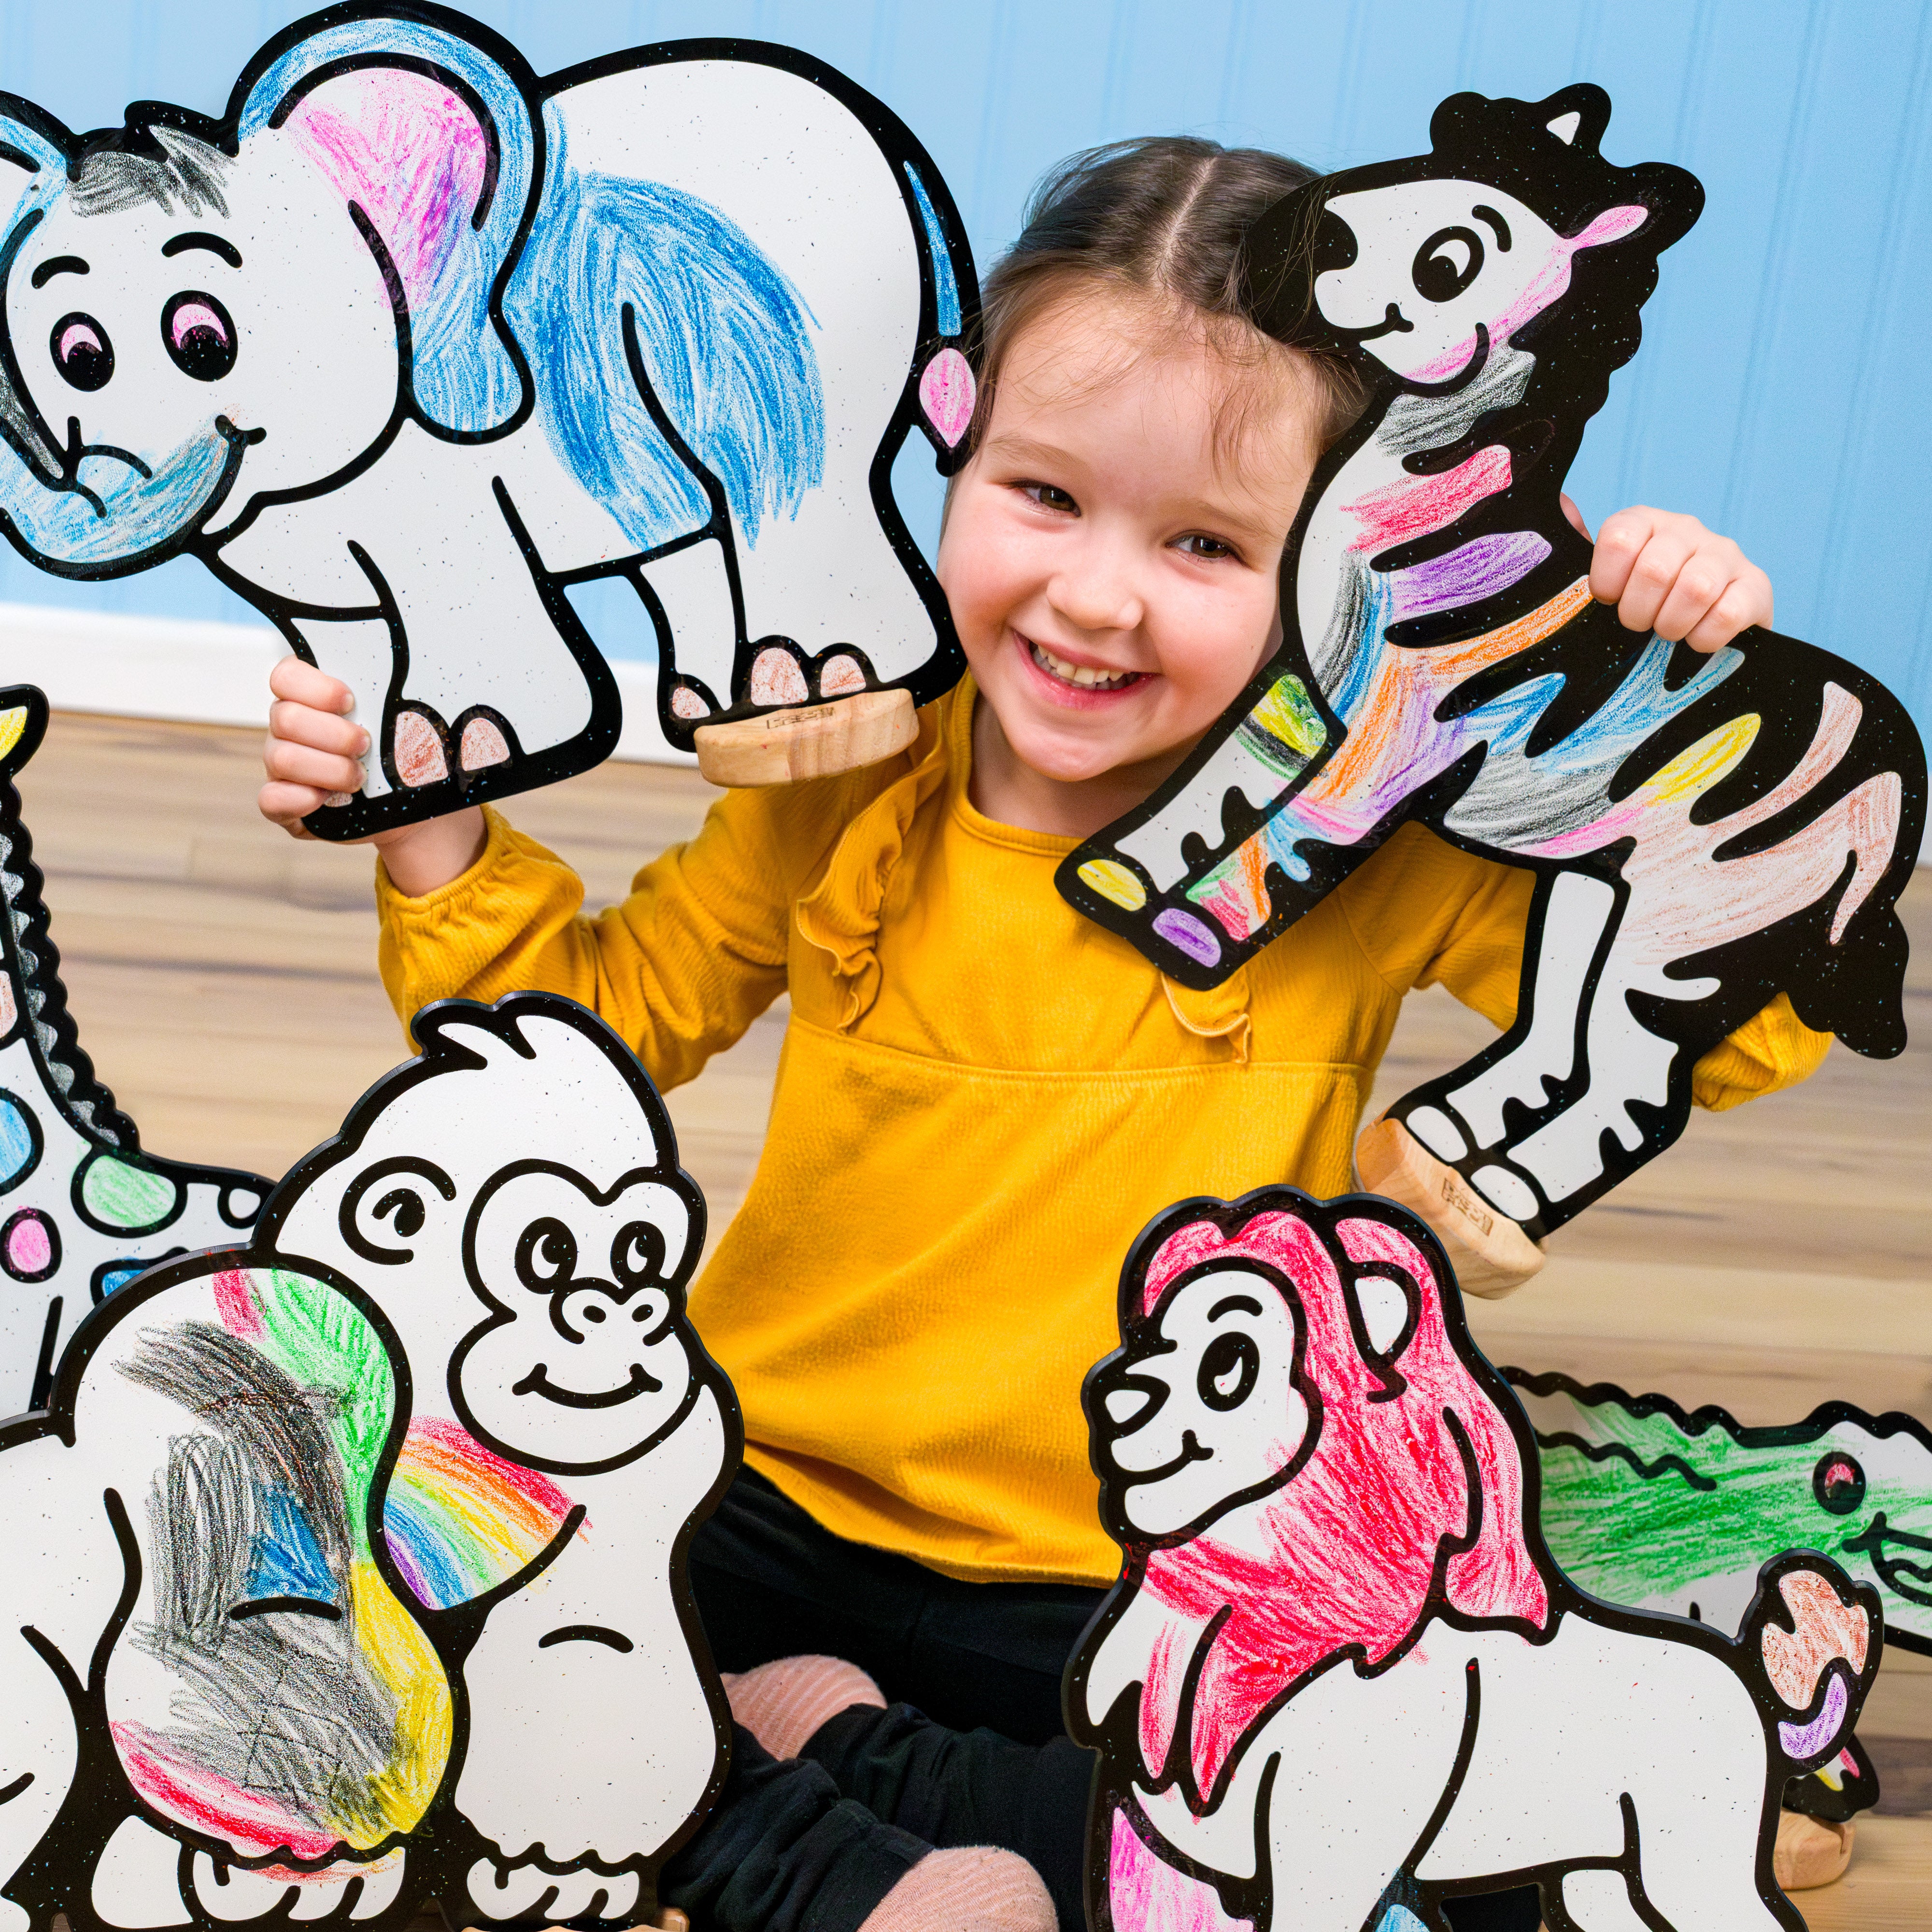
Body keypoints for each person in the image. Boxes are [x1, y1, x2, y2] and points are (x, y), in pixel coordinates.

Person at [259, 138, 1815, 1932]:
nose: (1094, 597)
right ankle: (833, 1828)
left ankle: (848, 1763)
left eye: (1206, 544)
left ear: (1350, 556)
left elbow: (1720, 1030)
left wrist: (1679, 711)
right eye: (1045, 496)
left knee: (1342, 1799)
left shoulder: (1376, 832)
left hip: (1124, 1553)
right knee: (444, 1637)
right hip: (763, 1494)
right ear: (953, 442)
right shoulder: (849, 769)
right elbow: (574, 1055)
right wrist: (435, 832)